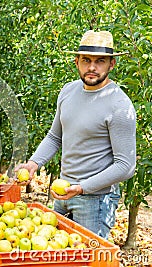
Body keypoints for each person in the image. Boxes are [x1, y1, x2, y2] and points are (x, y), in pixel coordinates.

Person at [15, 30, 136, 239]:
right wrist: (33, 164)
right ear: (76, 61)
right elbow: (55, 137)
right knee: (56, 255)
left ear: (111, 64)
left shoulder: (119, 105)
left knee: (89, 258)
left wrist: (82, 188)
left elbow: (125, 166)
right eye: (86, 60)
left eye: (100, 61)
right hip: (63, 192)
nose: (91, 67)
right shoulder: (68, 91)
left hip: (95, 201)